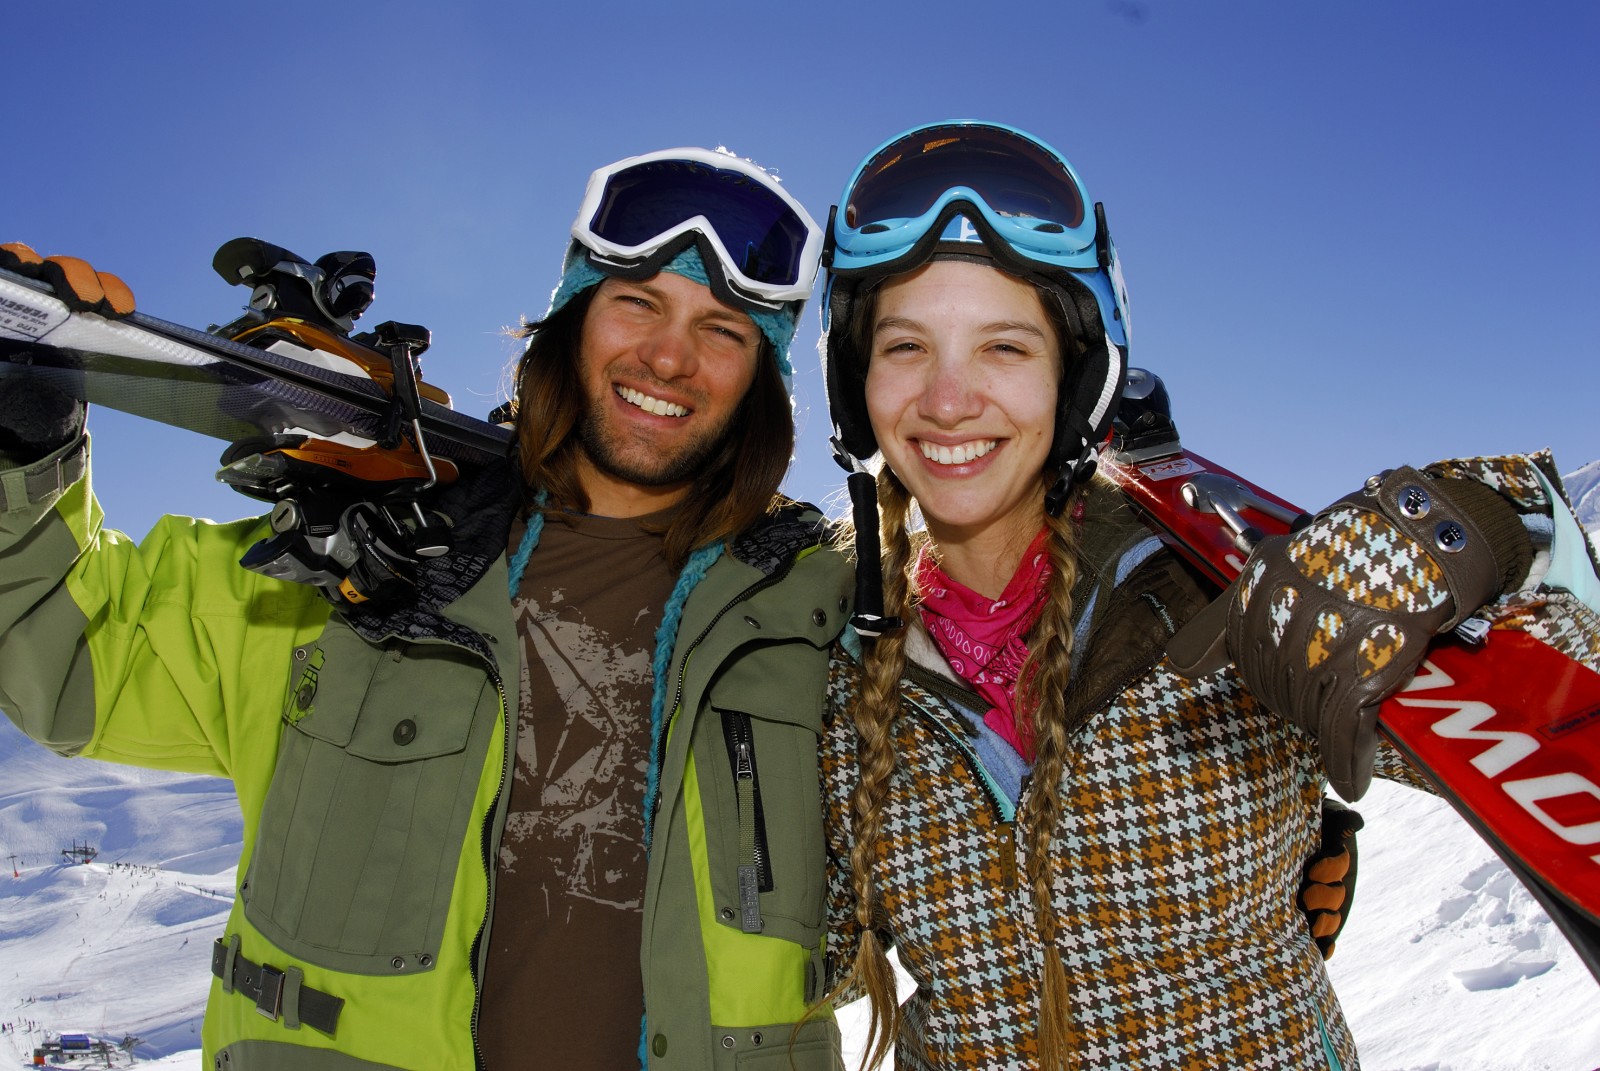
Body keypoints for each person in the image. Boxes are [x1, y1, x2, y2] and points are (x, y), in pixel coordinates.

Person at [0, 147, 854, 1070]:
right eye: (637, 302)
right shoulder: (361, 563)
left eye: (724, 330)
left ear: (763, 382)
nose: (669, 356)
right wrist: (20, 443)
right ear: (570, 321)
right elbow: (65, 648)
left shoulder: (824, 620)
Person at [813, 121, 1599, 1069]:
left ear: (1076, 375)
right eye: (906, 347)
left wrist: (1492, 533)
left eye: (1005, 348)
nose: (948, 399)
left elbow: (1559, 710)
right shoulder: (833, 648)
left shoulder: (1214, 589)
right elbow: (816, 961)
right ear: (854, 383)